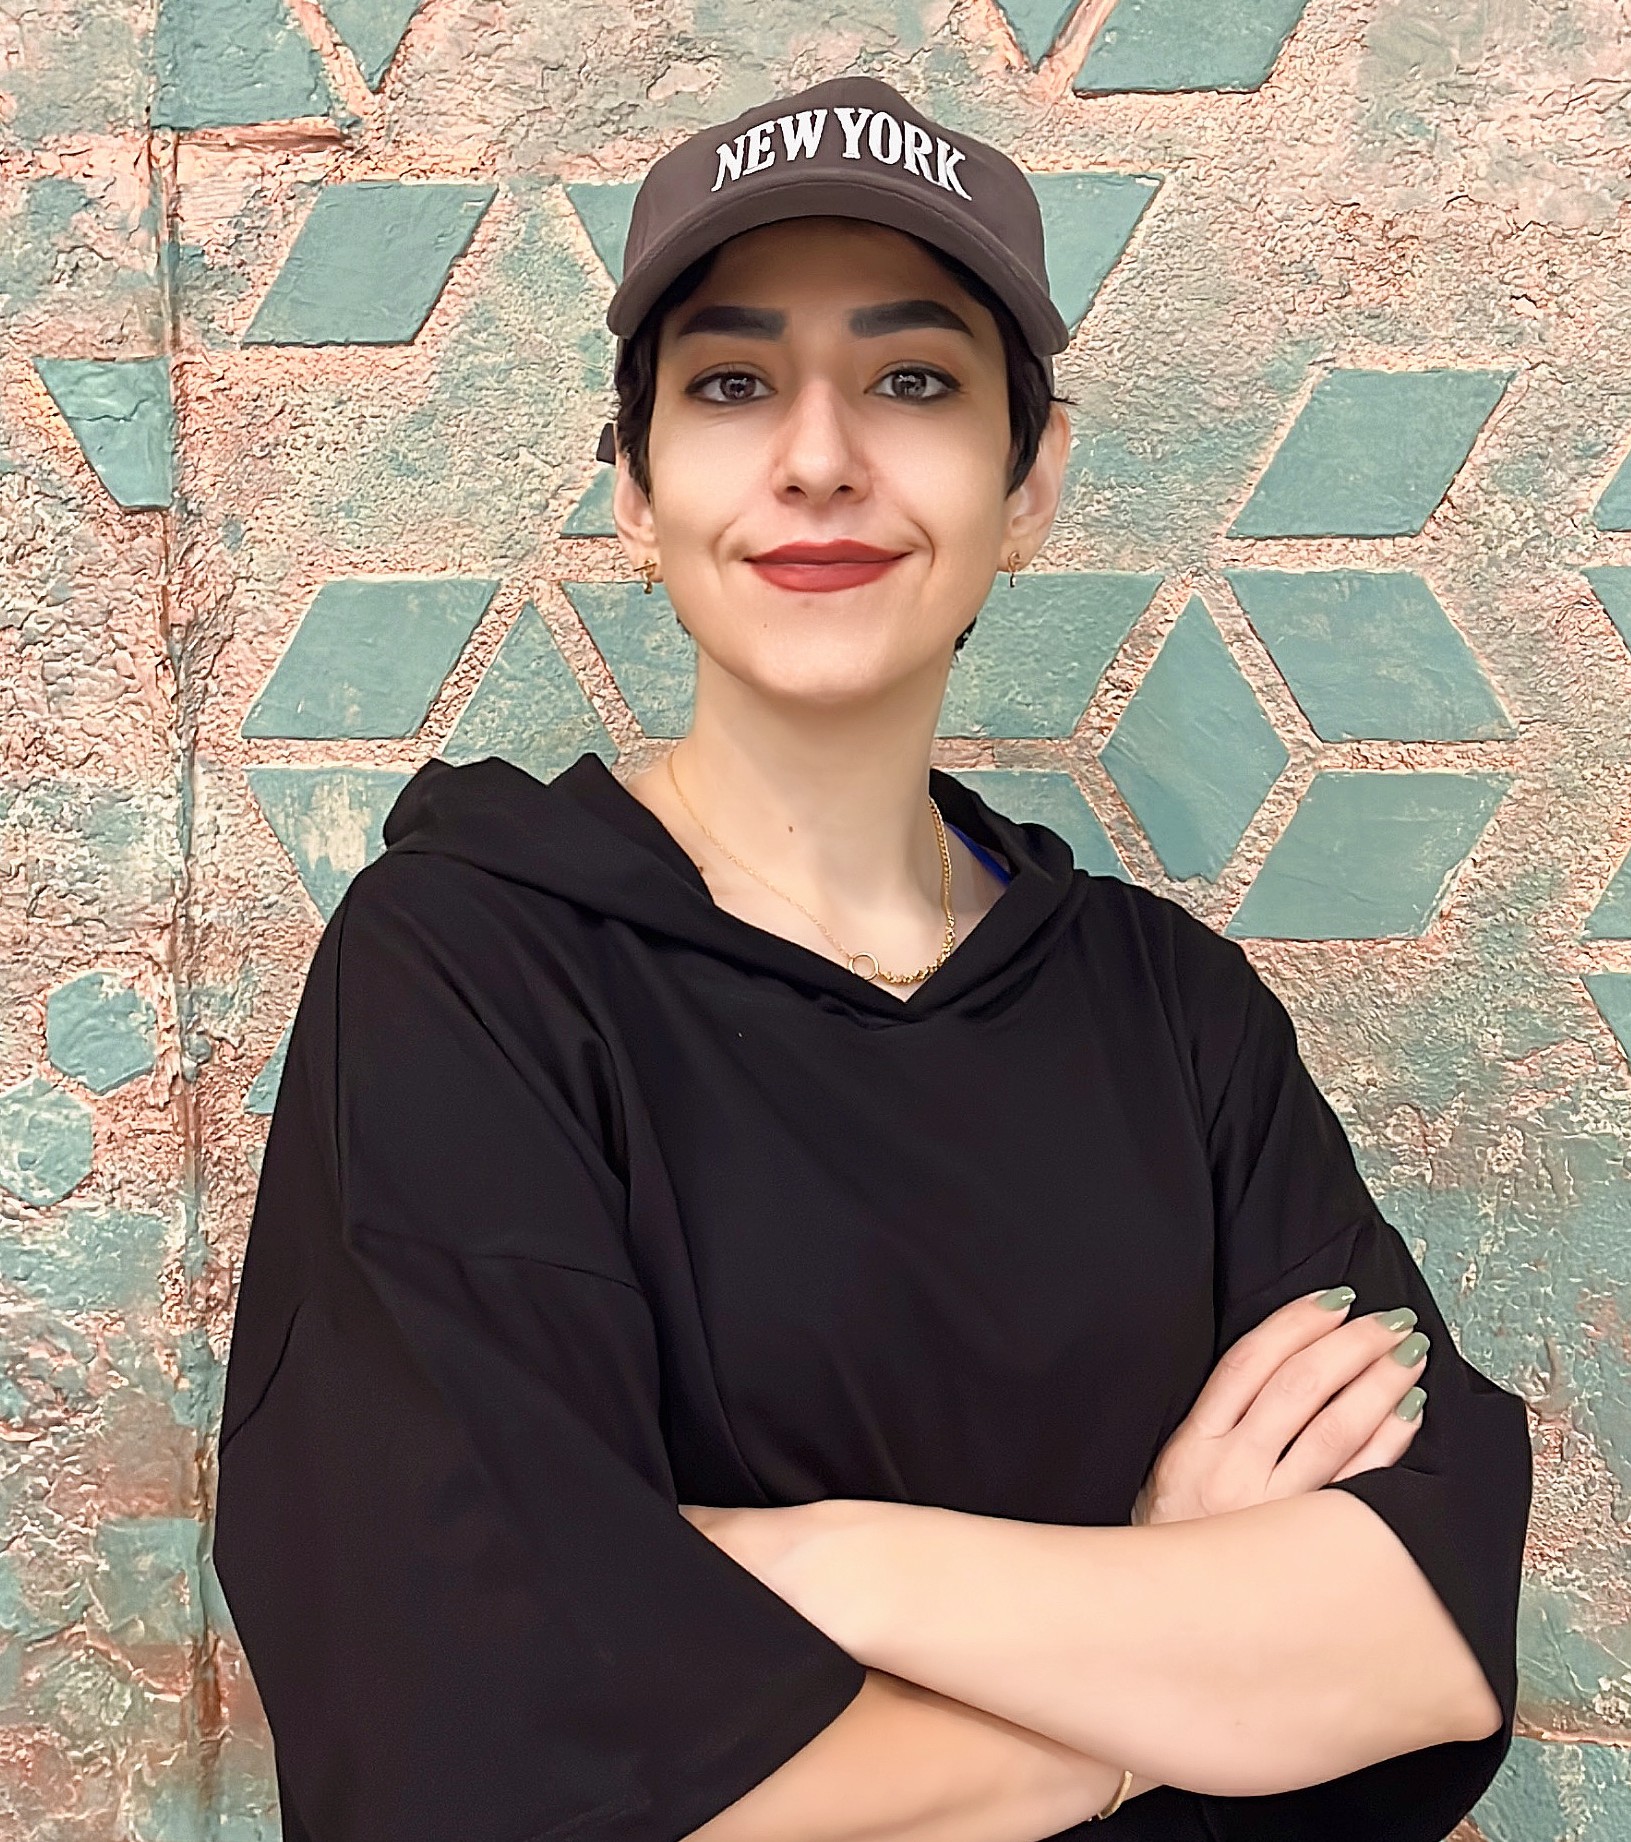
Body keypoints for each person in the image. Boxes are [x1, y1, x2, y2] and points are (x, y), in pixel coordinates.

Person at [211, 73, 1534, 1842]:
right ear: (635, 490)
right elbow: (478, 1744)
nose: (819, 456)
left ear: (1027, 481)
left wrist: (805, 1561)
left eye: (913, 380)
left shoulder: (1173, 1014)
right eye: (730, 383)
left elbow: (1421, 1632)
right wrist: (1148, 1686)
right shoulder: (467, 971)